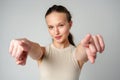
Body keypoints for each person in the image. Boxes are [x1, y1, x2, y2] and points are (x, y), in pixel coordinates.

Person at [9, 5, 105, 80]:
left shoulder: (76, 54)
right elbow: (34, 48)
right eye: (51, 27)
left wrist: (88, 45)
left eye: (61, 25)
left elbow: (81, 50)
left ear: (70, 25)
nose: (56, 32)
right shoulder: (43, 52)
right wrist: (25, 43)